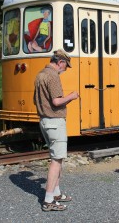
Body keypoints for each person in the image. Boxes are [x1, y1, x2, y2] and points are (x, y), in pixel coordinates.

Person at [34, 49, 79, 211]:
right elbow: (56, 100)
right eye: (66, 66)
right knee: (56, 161)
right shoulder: (53, 76)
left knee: (57, 157)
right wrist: (72, 96)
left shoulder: (40, 74)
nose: (65, 69)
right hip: (54, 121)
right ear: (60, 62)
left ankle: (57, 193)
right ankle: (48, 200)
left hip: (44, 121)